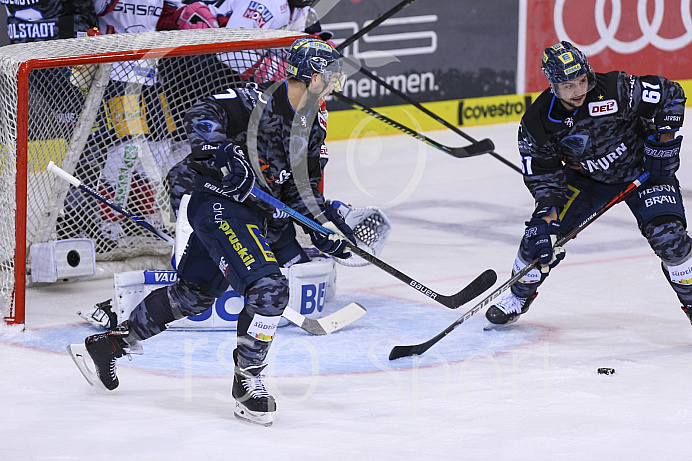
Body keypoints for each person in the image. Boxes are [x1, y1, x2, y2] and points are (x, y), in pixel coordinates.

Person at [69, 37, 351, 427]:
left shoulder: (315, 124)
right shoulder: (258, 101)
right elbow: (203, 112)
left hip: (256, 218)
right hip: (217, 205)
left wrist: (323, 228)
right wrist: (219, 151)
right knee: (269, 291)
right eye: (330, 73)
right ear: (309, 74)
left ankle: (111, 343)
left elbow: (300, 190)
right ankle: (248, 382)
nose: (336, 81)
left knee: (193, 296)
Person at [485, 41, 689, 327]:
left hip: (644, 172)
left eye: (582, 80)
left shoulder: (617, 88)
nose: (579, 90)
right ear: (553, 84)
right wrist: (547, 219)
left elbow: (671, 94)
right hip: (586, 180)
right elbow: (543, 175)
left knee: (672, 243)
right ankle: (518, 296)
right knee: (538, 239)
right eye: (568, 86)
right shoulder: (538, 121)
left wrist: (663, 145)